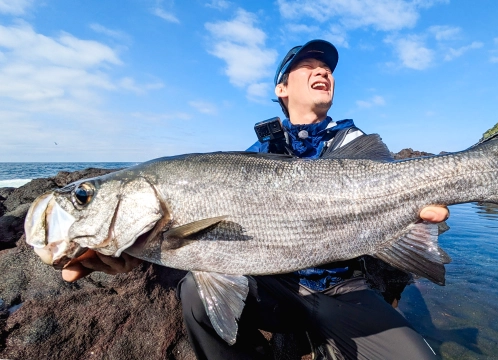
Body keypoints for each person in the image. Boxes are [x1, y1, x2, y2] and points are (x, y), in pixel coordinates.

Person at [62, 39, 449, 360]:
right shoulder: (250, 156)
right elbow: (204, 241)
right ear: (281, 88)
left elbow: (399, 196)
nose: (323, 71)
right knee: (196, 294)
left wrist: (413, 224)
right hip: (275, 287)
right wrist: (142, 249)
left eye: (327, 68)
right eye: (308, 65)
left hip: (343, 290)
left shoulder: (353, 144)